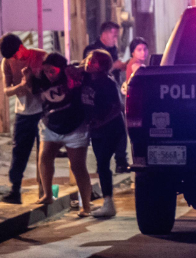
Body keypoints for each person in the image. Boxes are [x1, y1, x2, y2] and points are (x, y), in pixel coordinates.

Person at [32, 53, 94, 217]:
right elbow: (29, 82)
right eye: (46, 71)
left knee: (77, 166)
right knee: (45, 157)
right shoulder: (41, 79)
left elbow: (85, 69)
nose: (49, 75)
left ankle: (86, 206)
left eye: (52, 71)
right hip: (50, 125)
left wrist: (73, 69)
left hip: (75, 126)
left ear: (62, 68)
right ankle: (47, 195)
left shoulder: (72, 75)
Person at [0, 33, 49, 203]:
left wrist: (33, 82)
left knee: (45, 153)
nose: (14, 59)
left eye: (15, 55)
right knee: (19, 152)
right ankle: (15, 190)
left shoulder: (40, 56)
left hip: (43, 111)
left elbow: (52, 81)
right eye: (11, 57)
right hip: (22, 112)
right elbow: (6, 91)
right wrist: (21, 86)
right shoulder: (7, 62)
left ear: (22, 47)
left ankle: (47, 192)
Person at [84, 21, 130, 172]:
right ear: (104, 33)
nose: (115, 38)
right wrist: (114, 65)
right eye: (114, 35)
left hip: (111, 92)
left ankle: (120, 159)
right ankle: (104, 164)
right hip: (96, 96)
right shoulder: (92, 50)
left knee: (119, 126)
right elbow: (90, 69)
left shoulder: (113, 49)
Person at [83, 49, 121, 218]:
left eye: (93, 60)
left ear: (103, 66)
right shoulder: (85, 79)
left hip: (111, 129)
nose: (88, 62)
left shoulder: (108, 83)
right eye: (88, 59)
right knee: (101, 163)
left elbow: (117, 107)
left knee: (103, 163)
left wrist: (101, 122)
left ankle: (108, 202)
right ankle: (107, 202)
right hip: (96, 130)